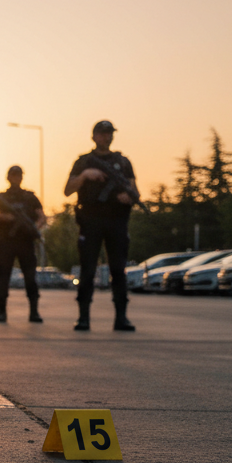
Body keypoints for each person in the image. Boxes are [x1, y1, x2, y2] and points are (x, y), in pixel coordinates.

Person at [65, 120, 138, 331]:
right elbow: (68, 190)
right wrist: (85, 176)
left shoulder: (123, 162)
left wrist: (128, 196)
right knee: (88, 270)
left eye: (109, 133)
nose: (107, 137)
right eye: (103, 133)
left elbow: (135, 191)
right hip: (90, 220)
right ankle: (83, 317)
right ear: (94, 136)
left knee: (118, 269)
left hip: (116, 221)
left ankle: (121, 317)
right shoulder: (83, 162)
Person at [0, 165, 46, 323]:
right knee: (4, 277)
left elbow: (42, 217)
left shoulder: (30, 197)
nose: (16, 178)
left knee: (30, 278)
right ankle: (1, 312)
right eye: (14, 175)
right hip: (6, 242)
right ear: (9, 177)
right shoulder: (1, 198)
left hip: (26, 242)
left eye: (19, 176)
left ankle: (34, 312)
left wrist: (34, 228)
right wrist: (2, 217)